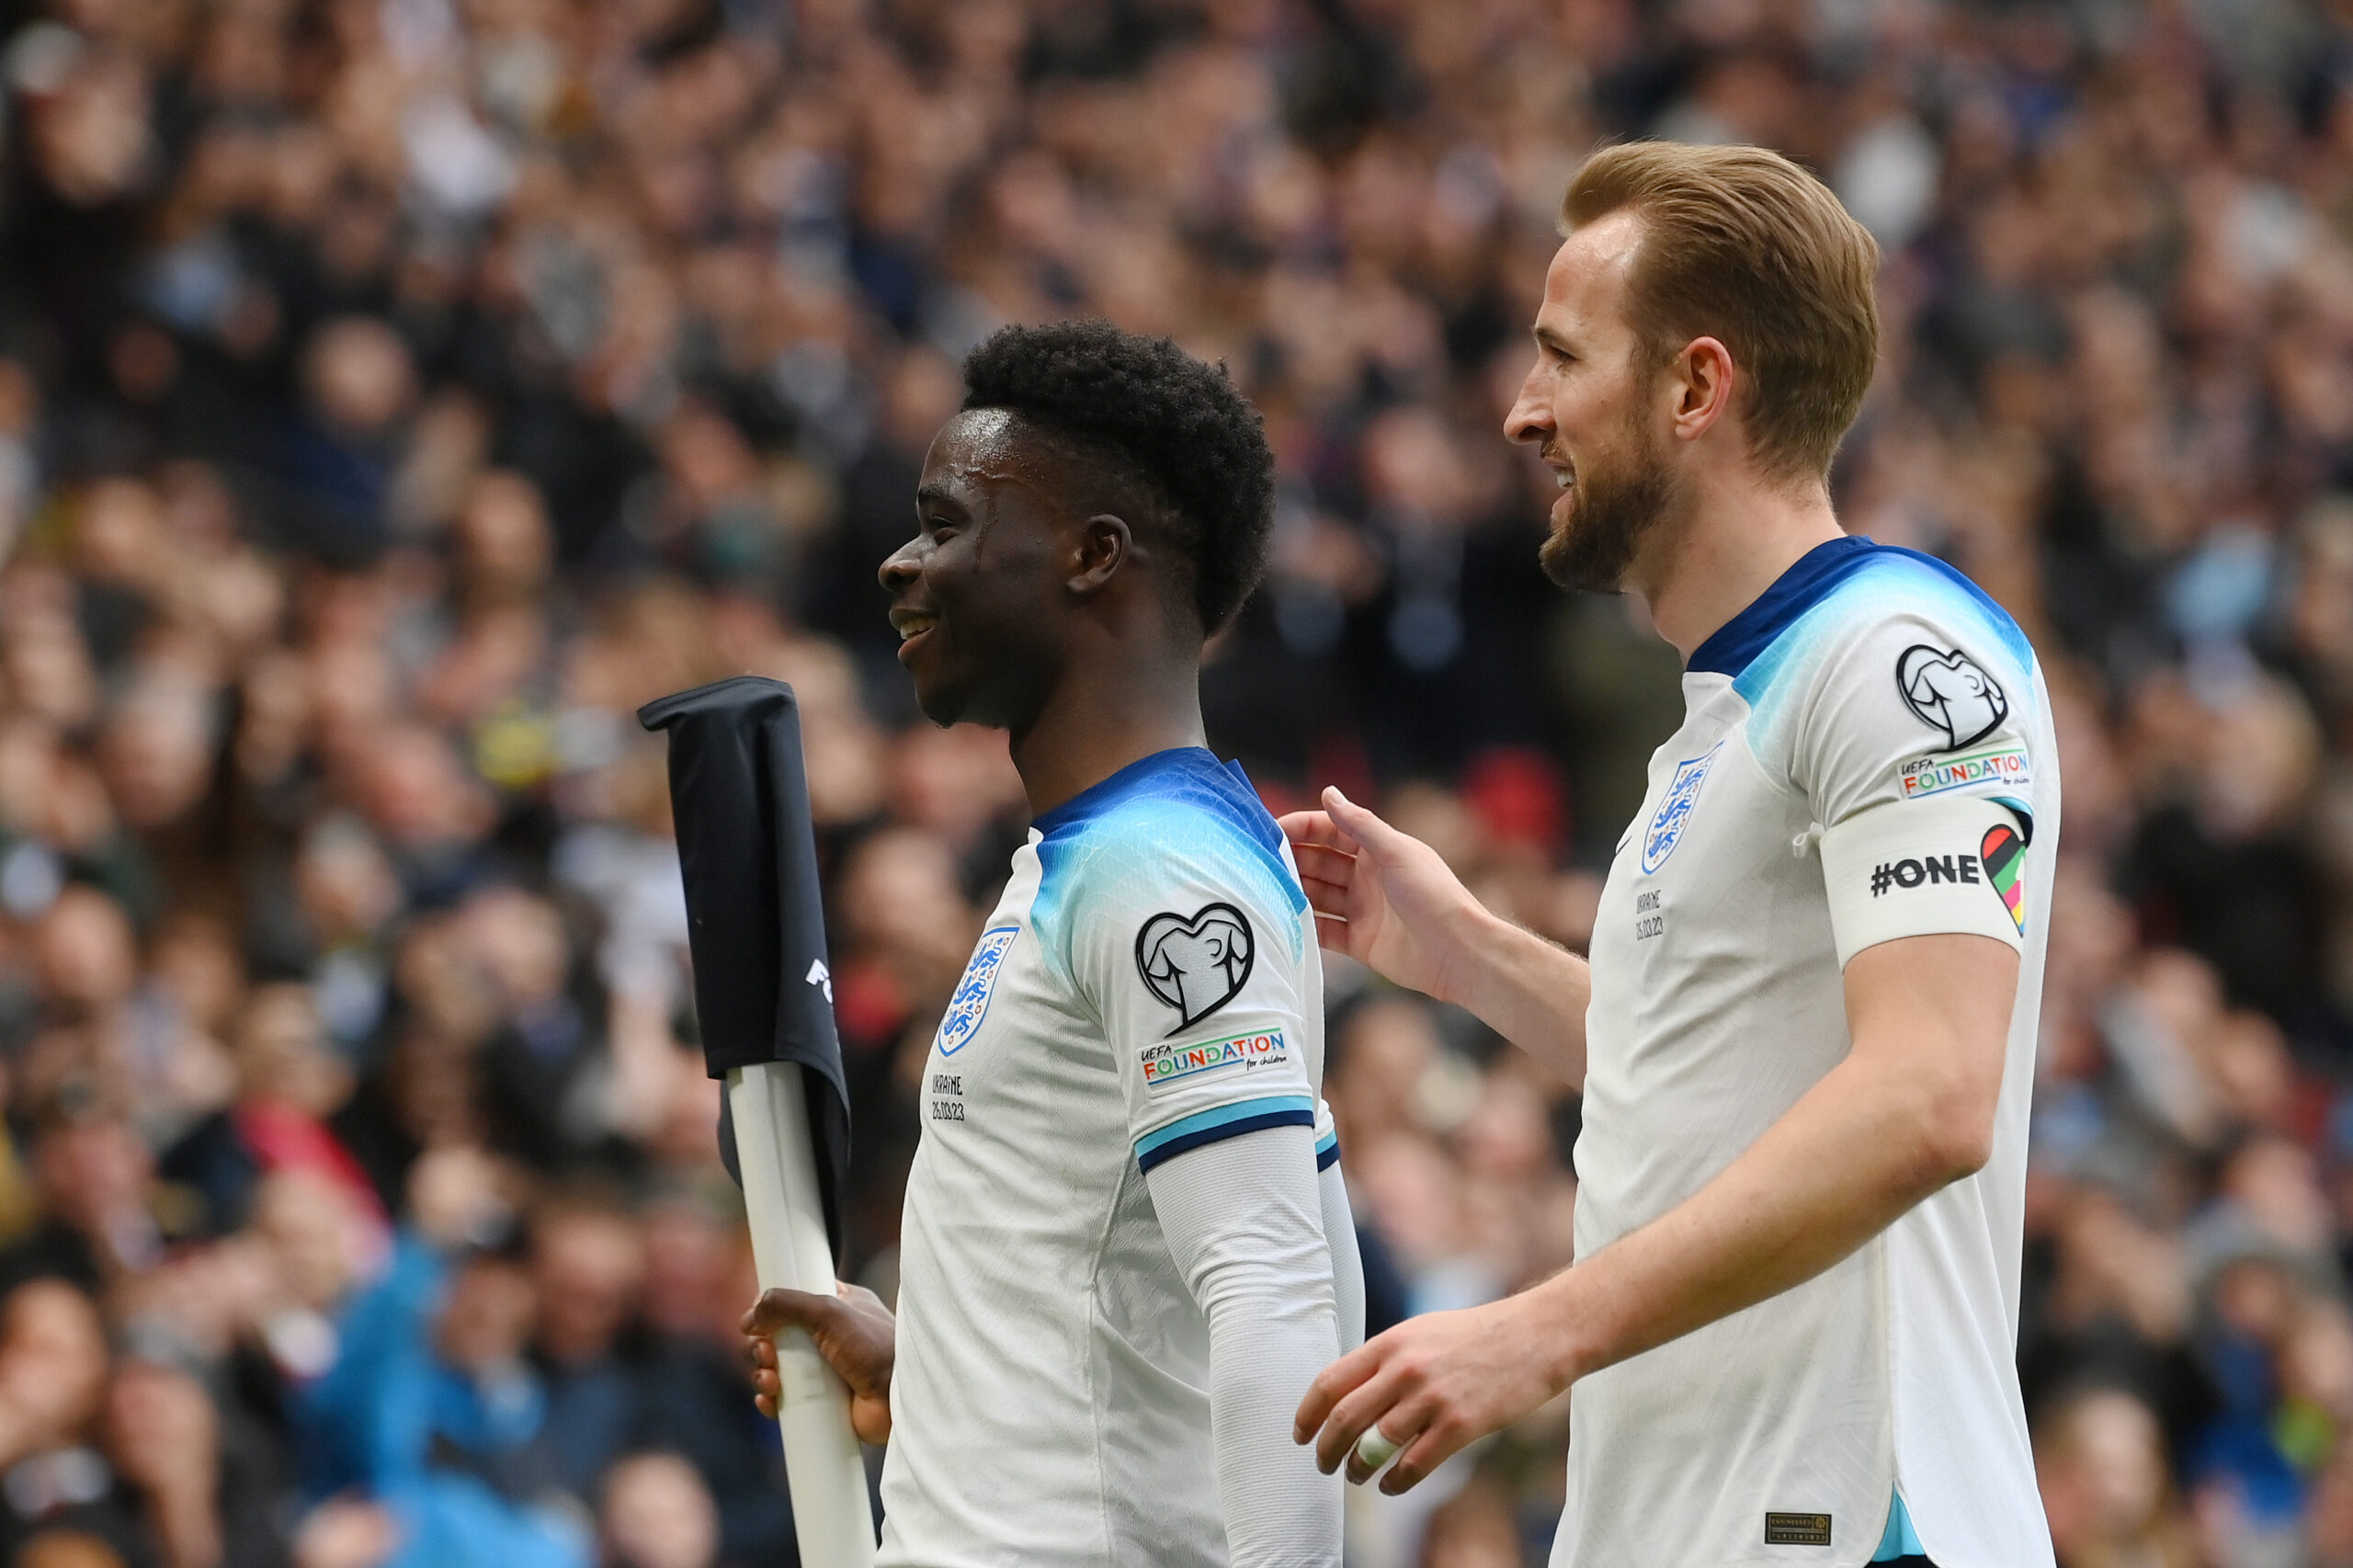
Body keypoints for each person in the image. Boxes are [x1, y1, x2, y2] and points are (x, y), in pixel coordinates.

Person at [1285, 142, 2059, 1568]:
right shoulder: (1723, 719)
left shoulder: (1897, 656)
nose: (1523, 413)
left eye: (1562, 358)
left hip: (1844, 1520)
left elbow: (1930, 1091)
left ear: (1697, 387)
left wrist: (1541, 1326)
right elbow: (1722, 1077)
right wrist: (1466, 952)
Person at [743, 320, 1366, 1566]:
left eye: (947, 523)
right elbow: (1282, 1246)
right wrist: (944, 1370)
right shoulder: (1097, 859)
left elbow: (1279, 1293)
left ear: (1092, 555)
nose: (899, 562)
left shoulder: (1161, 868)